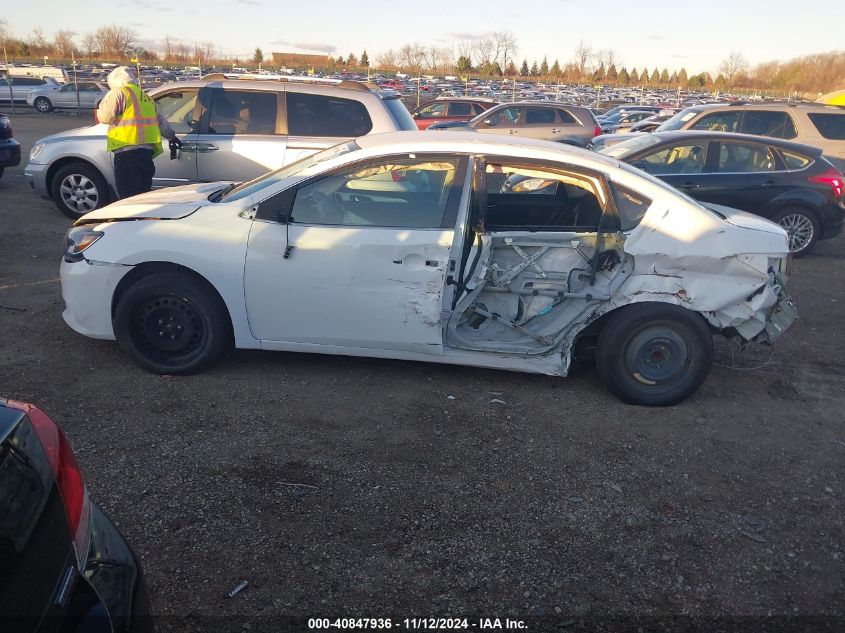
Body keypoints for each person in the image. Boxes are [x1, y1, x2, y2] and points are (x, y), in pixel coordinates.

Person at [96, 66, 182, 199]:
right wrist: (172, 137)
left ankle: (132, 220)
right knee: (142, 197)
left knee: (128, 199)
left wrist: (101, 105)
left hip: (126, 154)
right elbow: (161, 122)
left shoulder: (119, 93)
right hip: (146, 156)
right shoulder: (146, 98)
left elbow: (106, 117)